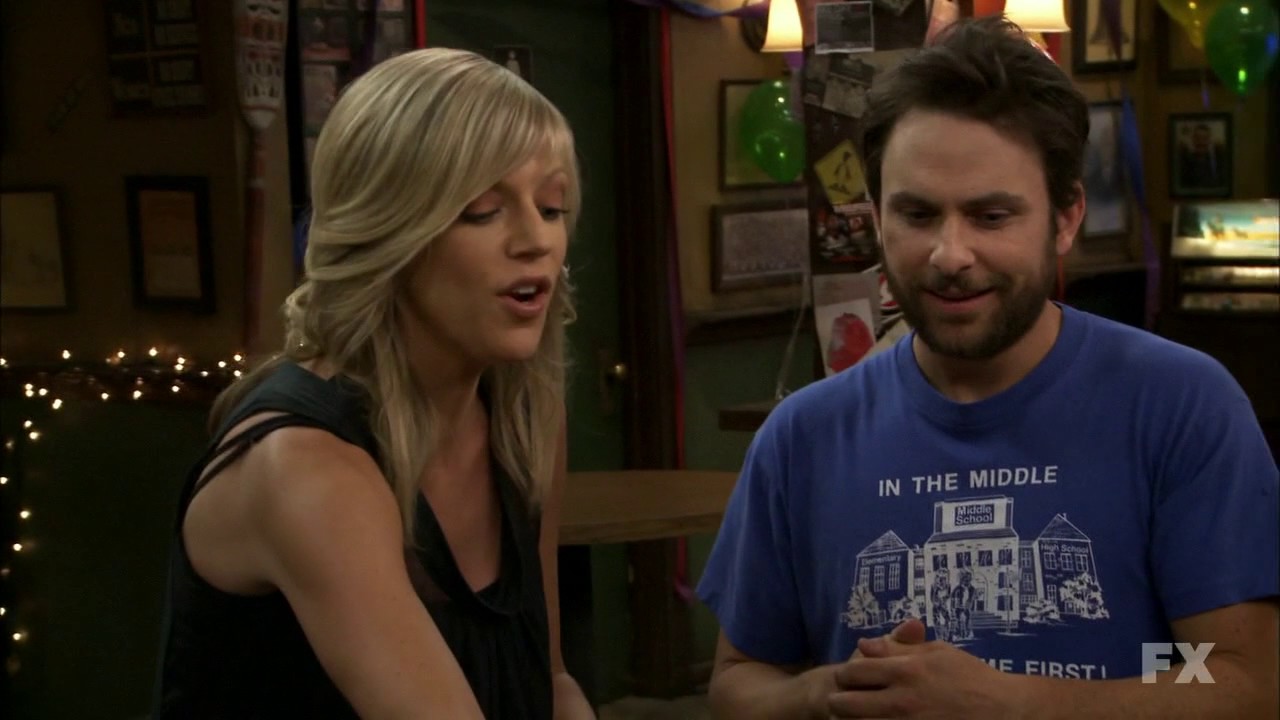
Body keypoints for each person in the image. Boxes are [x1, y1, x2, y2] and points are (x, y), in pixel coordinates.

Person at [696, 16, 1278, 719]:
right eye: (917, 215)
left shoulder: (1180, 405)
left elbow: (1244, 685)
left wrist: (1014, 704)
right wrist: (825, 693)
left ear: (1066, 218)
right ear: (876, 217)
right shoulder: (802, 439)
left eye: (991, 216)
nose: (950, 254)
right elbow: (738, 682)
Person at [151, 47, 595, 720]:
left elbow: (551, 683)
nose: (535, 239)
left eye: (551, 206)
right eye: (482, 210)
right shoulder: (306, 467)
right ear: (388, 233)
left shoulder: (525, 416)